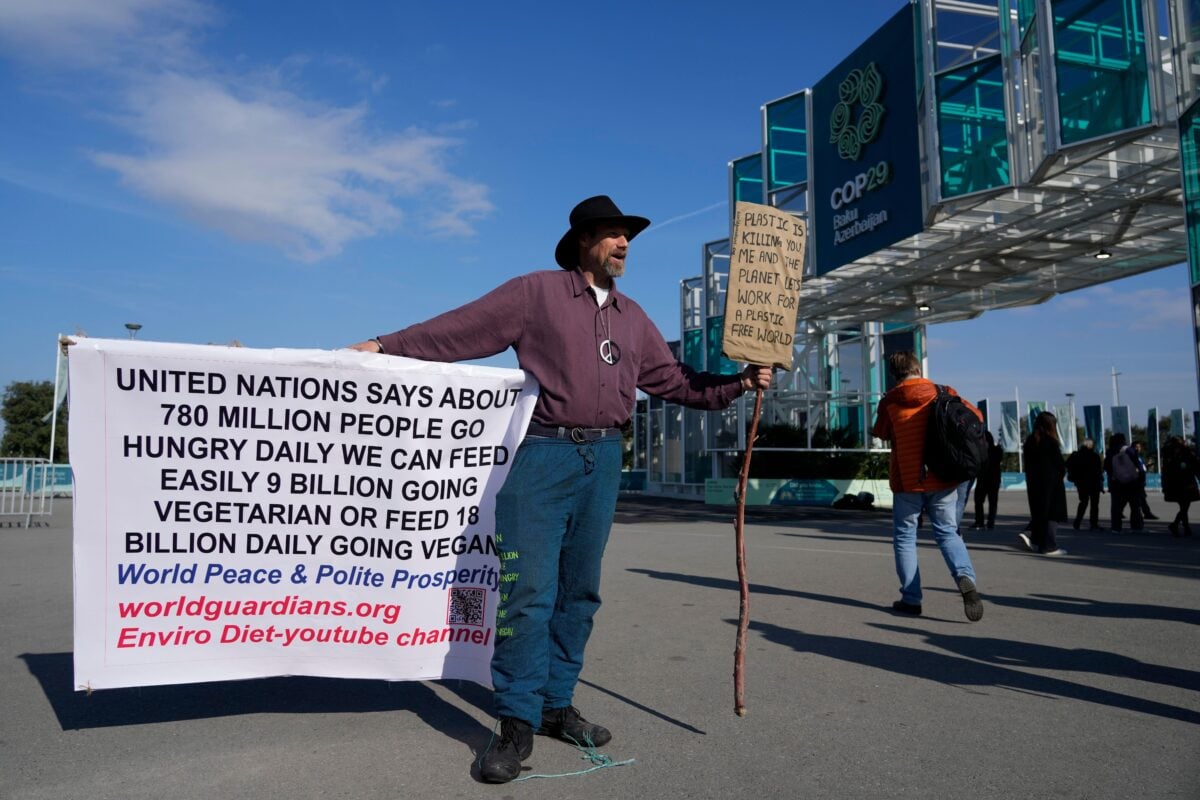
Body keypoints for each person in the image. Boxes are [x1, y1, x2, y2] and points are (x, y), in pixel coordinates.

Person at [349, 195, 772, 784]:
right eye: (611, 234)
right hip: (544, 455)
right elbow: (459, 331)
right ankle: (515, 722)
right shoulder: (536, 293)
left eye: (627, 236)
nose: (623, 244)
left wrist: (739, 384)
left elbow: (674, 382)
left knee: (580, 593)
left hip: (603, 459)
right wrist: (385, 344)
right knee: (530, 593)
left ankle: (555, 706)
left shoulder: (633, 317)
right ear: (581, 240)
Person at [871, 351, 983, 622]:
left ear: (894, 374)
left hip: (908, 480)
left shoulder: (890, 401)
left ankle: (911, 599)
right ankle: (965, 577)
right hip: (943, 477)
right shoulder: (943, 391)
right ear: (917, 368)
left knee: (905, 538)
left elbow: (881, 432)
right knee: (947, 534)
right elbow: (975, 416)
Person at [1020, 411, 1069, 556]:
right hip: (1051, 483)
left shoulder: (1030, 441)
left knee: (1040, 513)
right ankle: (1049, 546)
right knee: (1052, 514)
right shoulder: (1050, 442)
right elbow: (1059, 465)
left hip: (1034, 483)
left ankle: (1034, 538)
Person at [1104, 432, 1145, 533]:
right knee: (1135, 506)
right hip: (1132, 483)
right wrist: (1141, 479)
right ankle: (1136, 527)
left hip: (1116, 484)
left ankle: (1116, 527)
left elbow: (1106, 468)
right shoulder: (1130, 450)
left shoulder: (1110, 452)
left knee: (1116, 507)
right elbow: (1139, 466)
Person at [1161, 436, 1199, 537]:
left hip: (1180, 484)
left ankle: (1182, 526)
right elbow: (1195, 466)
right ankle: (1179, 525)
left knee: (1184, 506)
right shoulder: (1184, 453)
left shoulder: (1172, 453)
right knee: (1184, 506)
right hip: (1184, 484)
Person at [1065, 438, 1104, 531]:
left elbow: (1066, 464)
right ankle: (1093, 523)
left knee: (1083, 502)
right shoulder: (1094, 456)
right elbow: (1098, 470)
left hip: (1080, 482)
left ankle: (1077, 521)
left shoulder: (1075, 455)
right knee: (1094, 504)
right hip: (1093, 482)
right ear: (1090, 446)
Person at [970, 431, 1003, 530]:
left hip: (993, 480)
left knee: (992, 502)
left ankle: (990, 522)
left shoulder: (997, 450)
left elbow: (996, 461)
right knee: (978, 501)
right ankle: (979, 521)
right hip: (982, 479)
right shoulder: (979, 451)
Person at [1133, 442, 1159, 520]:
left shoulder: (1140, 458)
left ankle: (1146, 513)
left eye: (1139, 447)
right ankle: (1145, 513)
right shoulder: (1132, 457)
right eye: (1136, 447)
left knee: (1141, 498)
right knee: (1139, 499)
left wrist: (1147, 466)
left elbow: (1142, 468)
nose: (1137, 449)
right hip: (1135, 481)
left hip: (1140, 481)